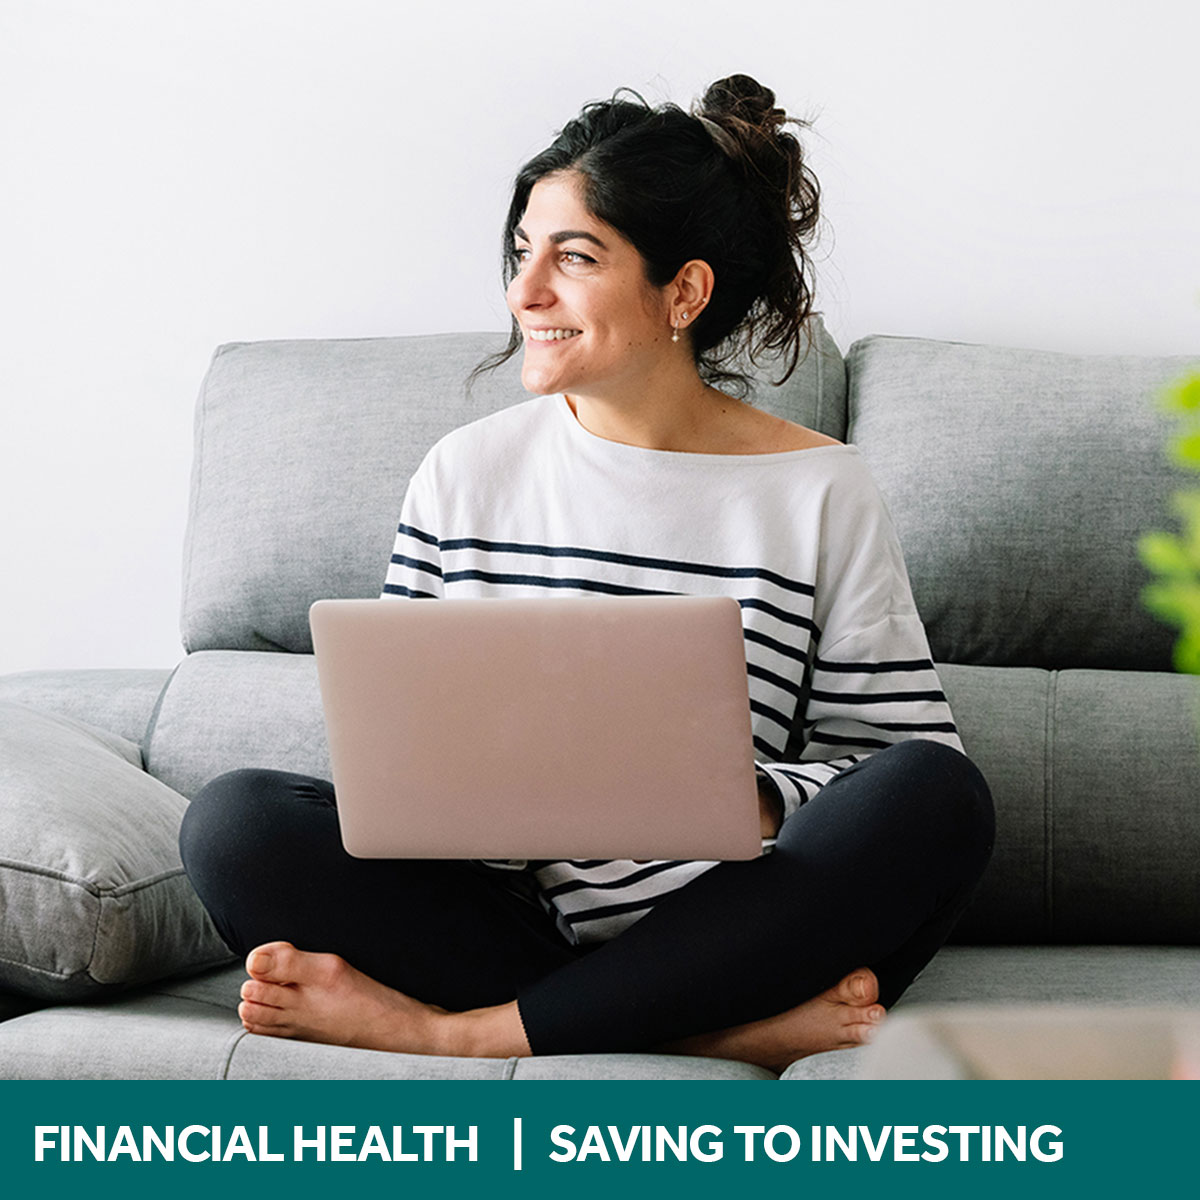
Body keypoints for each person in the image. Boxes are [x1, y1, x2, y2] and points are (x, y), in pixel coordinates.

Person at [179, 74, 993, 1073]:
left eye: (574, 258)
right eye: (523, 254)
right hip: (518, 916)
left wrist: (755, 802)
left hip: (743, 926)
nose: (526, 293)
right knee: (236, 824)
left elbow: (889, 757)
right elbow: (393, 759)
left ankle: (463, 1034)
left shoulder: (819, 490)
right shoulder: (464, 473)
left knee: (937, 796)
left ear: (682, 293)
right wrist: (460, 802)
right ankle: (699, 1033)